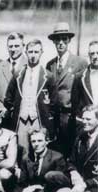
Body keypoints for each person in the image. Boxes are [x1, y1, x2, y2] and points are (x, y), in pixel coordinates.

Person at [4, 39, 58, 158]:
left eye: (36, 52)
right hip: (21, 120)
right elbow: (8, 98)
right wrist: (16, 110)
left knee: (39, 150)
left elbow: (54, 102)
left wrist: (46, 115)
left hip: (39, 119)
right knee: (22, 151)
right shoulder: (18, 74)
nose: (33, 55)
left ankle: (38, 174)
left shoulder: (48, 76)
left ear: (41, 52)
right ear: (26, 52)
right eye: (30, 52)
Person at [46, 22, 88, 154]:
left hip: (71, 115)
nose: (61, 43)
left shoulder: (79, 62)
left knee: (72, 149)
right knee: (56, 149)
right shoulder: (50, 64)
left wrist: (79, 115)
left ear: (69, 40)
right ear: (53, 42)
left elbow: (84, 91)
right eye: (57, 39)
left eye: (64, 39)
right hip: (55, 116)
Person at [13, 128, 70, 192]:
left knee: (44, 188)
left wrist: (35, 188)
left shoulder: (57, 157)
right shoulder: (26, 158)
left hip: (49, 191)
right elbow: (22, 182)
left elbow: (59, 182)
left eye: (40, 141)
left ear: (46, 141)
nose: (36, 144)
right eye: (33, 141)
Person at [0, 32, 27, 119]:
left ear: (23, 46)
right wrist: (0, 108)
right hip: (3, 117)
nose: (13, 49)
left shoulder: (30, 66)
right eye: (10, 46)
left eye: (16, 46)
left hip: (23, 117)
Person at [67, 105, 98, 192]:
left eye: (88, 119)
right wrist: (73, 172)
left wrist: (85, 184)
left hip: (94, 185)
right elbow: (71, 161)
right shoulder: (80, 137)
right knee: (52, 177)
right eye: (83, 119)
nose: (84, 122)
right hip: (78, 180)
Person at [72, 41, 98, 131]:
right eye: (92, 53)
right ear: (89, 55)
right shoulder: (79, 77)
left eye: (97, 53)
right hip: (88, 124)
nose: (95, 56)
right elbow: (75, 105)